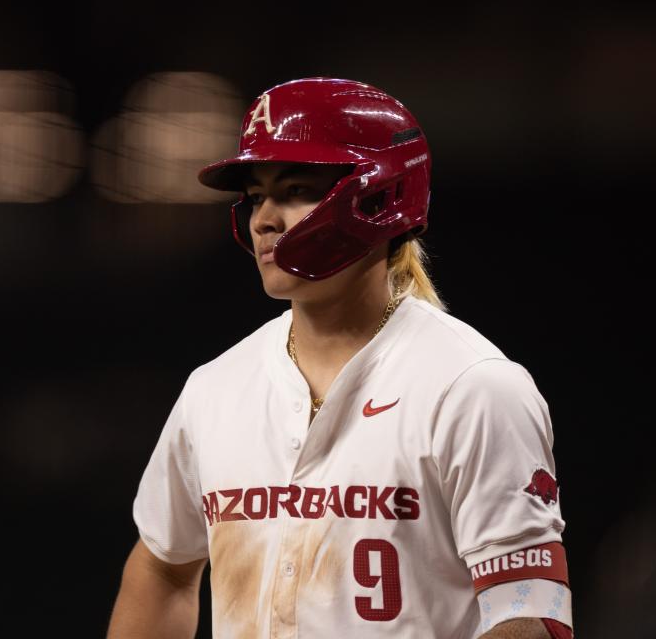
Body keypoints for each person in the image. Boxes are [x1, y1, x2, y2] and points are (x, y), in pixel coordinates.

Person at [107, 78, 573, 638]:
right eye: (256, 196)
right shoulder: (216, 389)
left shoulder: (472, 386)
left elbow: (528, 611)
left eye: (296, 189)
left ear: (380, 196)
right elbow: (162, 567)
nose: (264, 219)